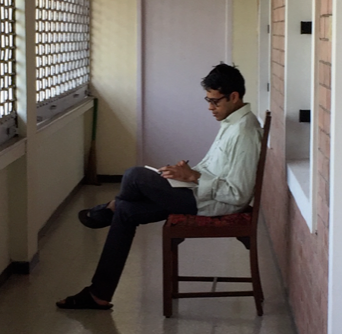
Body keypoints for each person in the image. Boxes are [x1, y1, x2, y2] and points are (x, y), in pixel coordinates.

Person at [56, 63, 262, 310]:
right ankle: (98, 294)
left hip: (211, 204)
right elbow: (213, 171)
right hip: (198, 193)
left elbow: (238, 194)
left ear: (235, 96)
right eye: (207, 100)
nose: (210, 107)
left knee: (134, 176)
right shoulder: (231, 122)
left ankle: (107, 209)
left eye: (215, 101)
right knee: (127, 211)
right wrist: (182, 174)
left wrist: (194, 177)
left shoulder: (245, 131)